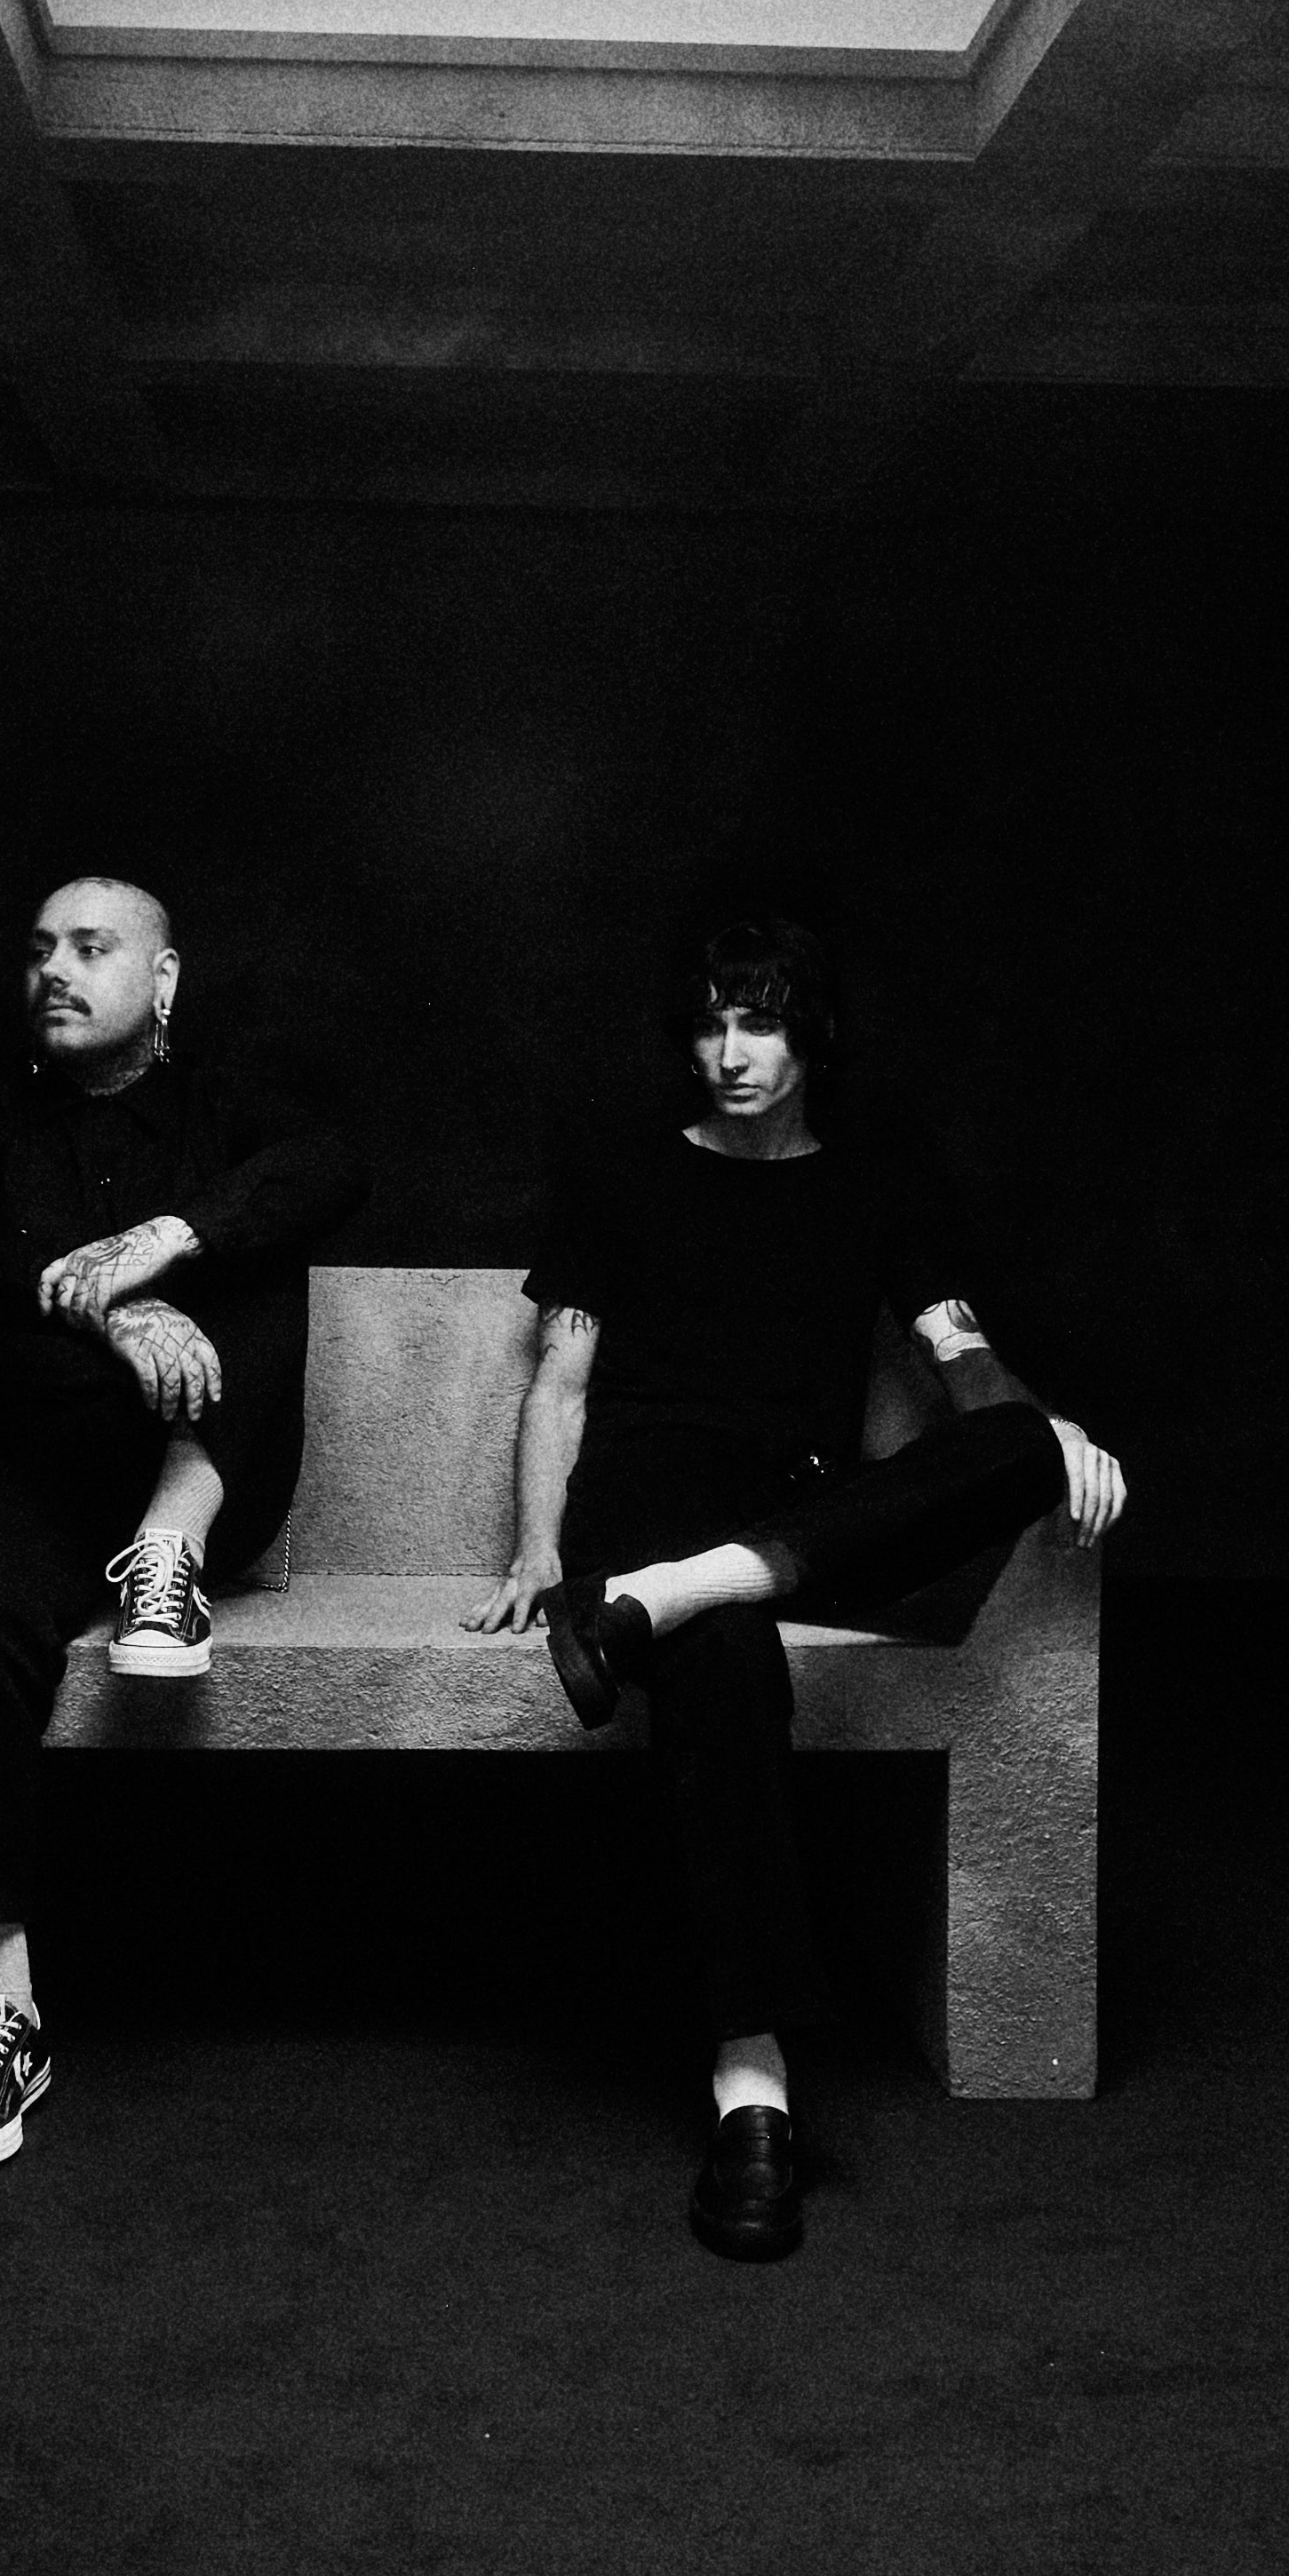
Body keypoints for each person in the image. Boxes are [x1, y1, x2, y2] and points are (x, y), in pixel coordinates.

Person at [467, 918, 1125, 2261]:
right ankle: (752, 2085)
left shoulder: (873, 1184)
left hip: (794, 1513)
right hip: (646, 1500)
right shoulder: (621, 1171)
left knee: (1017, 1438)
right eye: (710, 1026)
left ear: (808, 1037)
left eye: (757, 1024)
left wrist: (1044, 1432)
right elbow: (562, 1381)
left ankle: (678, 1592)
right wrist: (538, 1552)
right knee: (725, 1656)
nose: (729, 1053)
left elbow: (962, 1355)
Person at [0, 877, 366, 2174]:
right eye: (40, 948)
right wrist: (116, 1304)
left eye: (91, 948)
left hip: (201, 1471)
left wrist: (170, 1237)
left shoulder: (223, 1106)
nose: (55, 968)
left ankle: (169, 1551)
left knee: (256, 1232)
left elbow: (331, 1166)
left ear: (161, 980)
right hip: (20, 1467)